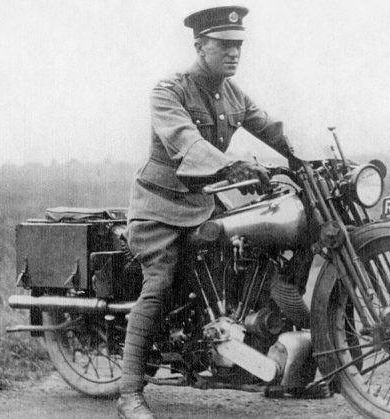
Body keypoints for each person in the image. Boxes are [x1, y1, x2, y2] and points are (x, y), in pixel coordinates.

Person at [117, 6, 295, 419]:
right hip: (160, 208)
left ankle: (257, 354)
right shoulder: (169, 90)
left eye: (238, 46)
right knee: (159, 285)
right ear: (200, 45)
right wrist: (229, 165)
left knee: (252, 253)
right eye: (225, 45)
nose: (234, 53)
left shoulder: (232, 94)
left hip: (203, 205)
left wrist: (307, 161)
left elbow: (272, 129)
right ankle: (129, 394)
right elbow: (185, 141)